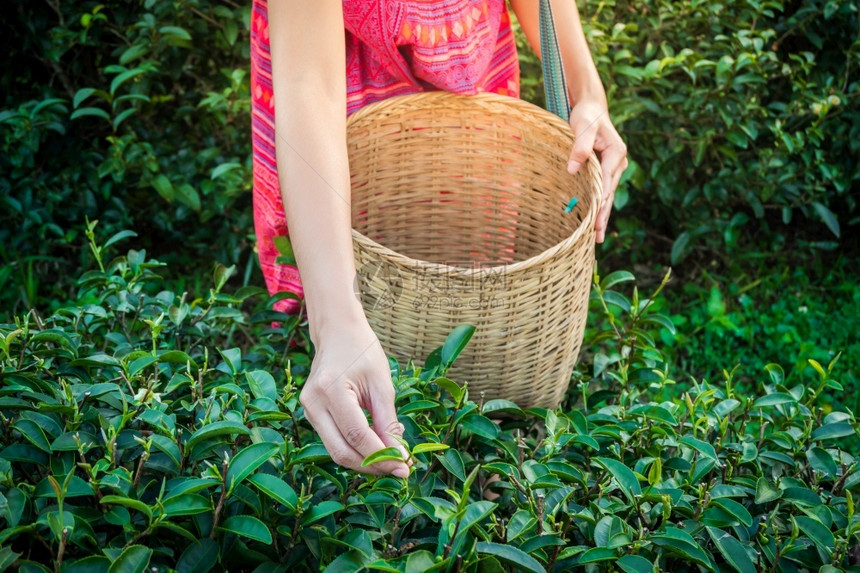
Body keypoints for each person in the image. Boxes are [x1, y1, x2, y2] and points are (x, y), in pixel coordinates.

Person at [251, 0, 627, 479]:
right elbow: (310, 85)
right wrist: (335, 324)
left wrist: (585, 90)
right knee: (357, 321)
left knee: (476, 290)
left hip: (473, 82)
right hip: (344, 109)